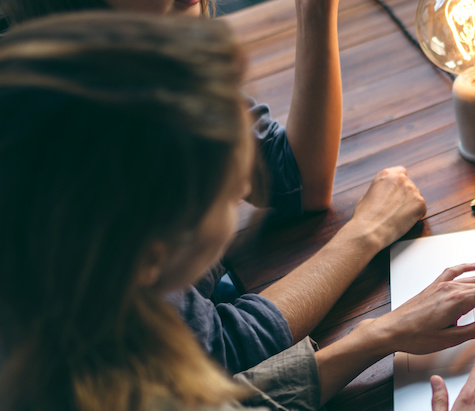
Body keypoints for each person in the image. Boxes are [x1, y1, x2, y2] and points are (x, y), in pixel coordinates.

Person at [0, 12, 475, 411]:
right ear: (152, 255)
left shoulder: (48, 396)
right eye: (221, 181)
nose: (244, 180)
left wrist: (375, 337)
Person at [0, 0, 429, 371]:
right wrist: (363, 235)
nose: (239, 179)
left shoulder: (142, 55)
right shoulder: (59, 135)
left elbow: (291, 178)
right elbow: (220, 352)